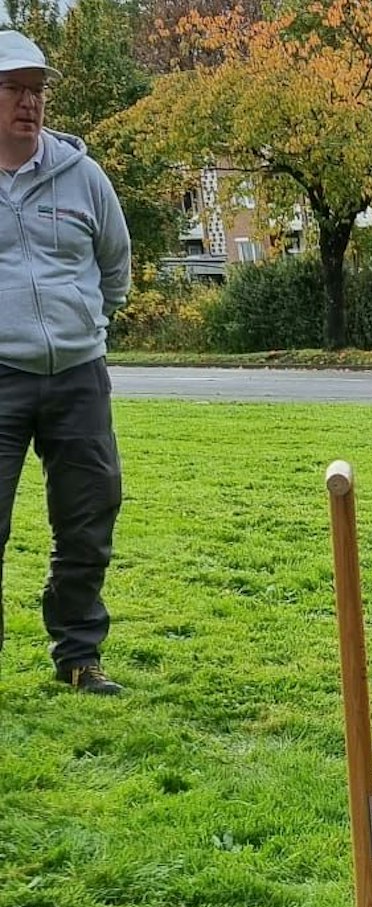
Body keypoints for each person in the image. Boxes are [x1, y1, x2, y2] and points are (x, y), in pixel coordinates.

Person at [0, 30, 132, 695]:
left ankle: (79, 657)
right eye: (13, 89)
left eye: (37, 91)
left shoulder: (82, 175)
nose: (29, 103)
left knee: (88, 516)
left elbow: (115, 265)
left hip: (78, 372)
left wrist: (87, 323)